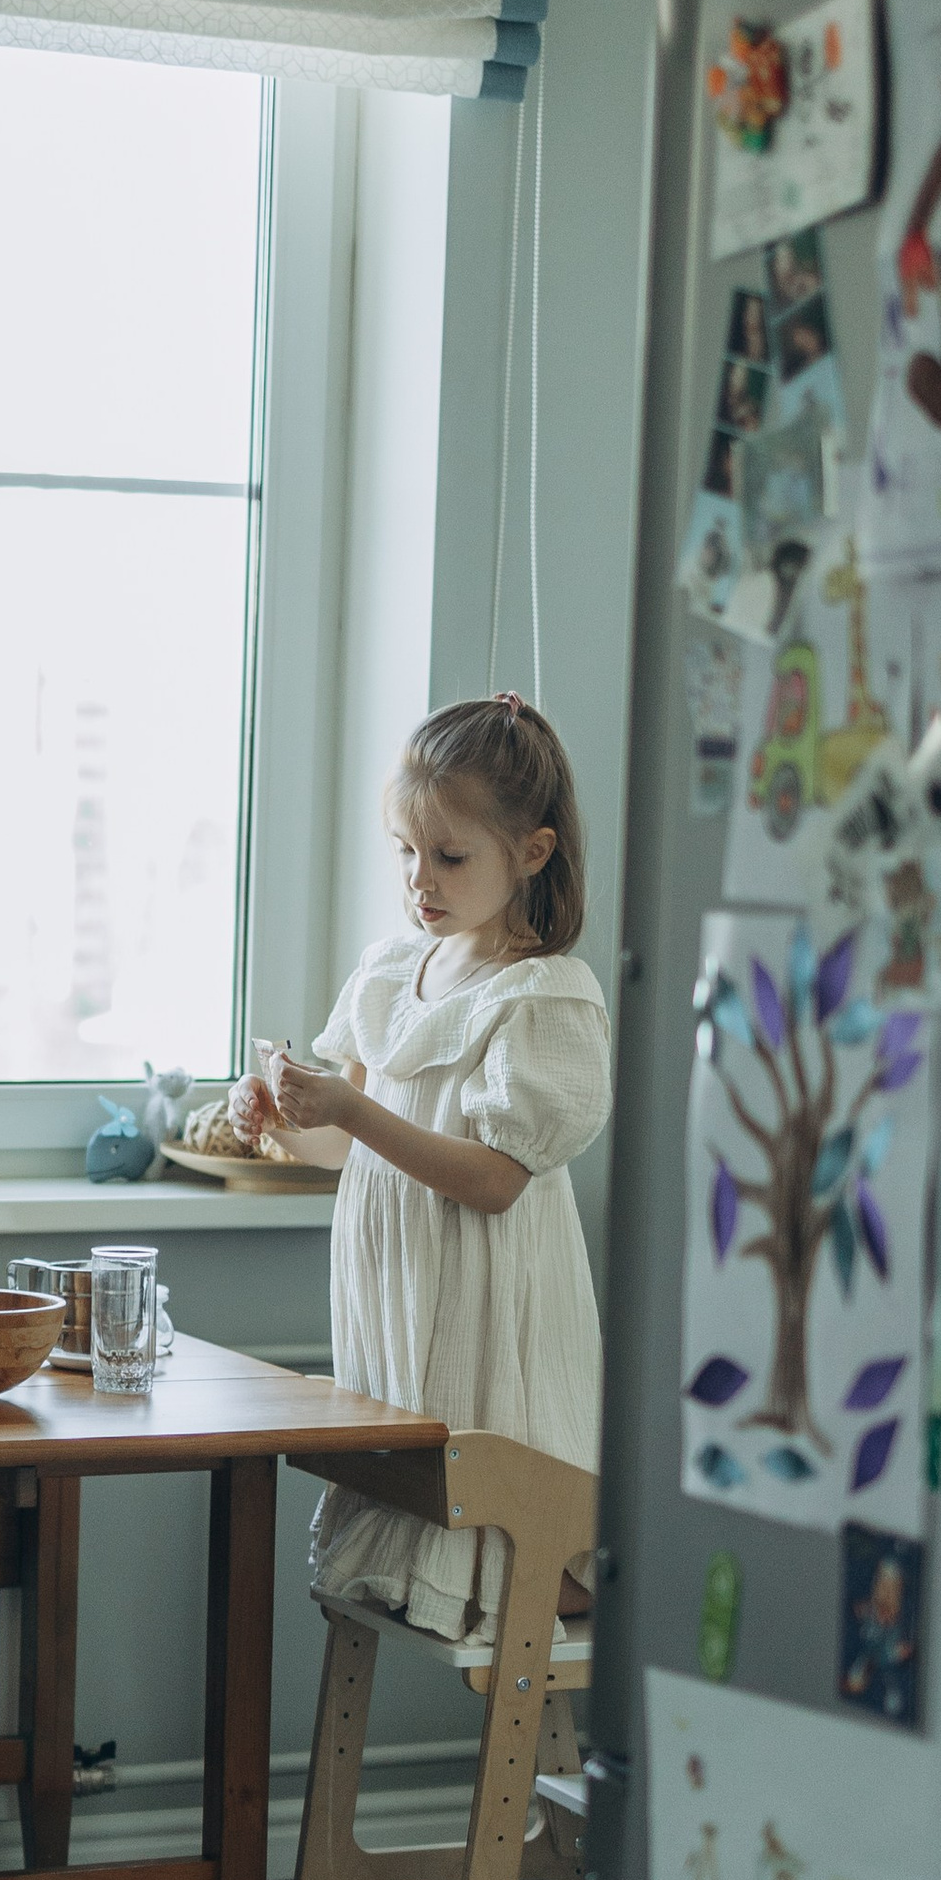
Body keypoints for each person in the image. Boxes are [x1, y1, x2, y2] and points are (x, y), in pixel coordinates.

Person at [233, 695, 609, 1634]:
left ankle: (541, 1576)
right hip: (402, 1296)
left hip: (488, 1294)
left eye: (449, 857)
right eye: (405, 852)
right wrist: (282, 1117)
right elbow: (337, 1145)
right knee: (412, 1468)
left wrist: (352, 1107)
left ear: (531, 852)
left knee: (498, 1465)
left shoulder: (542, 996)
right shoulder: (394, 970)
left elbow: (493, 1179)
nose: (420, 880)